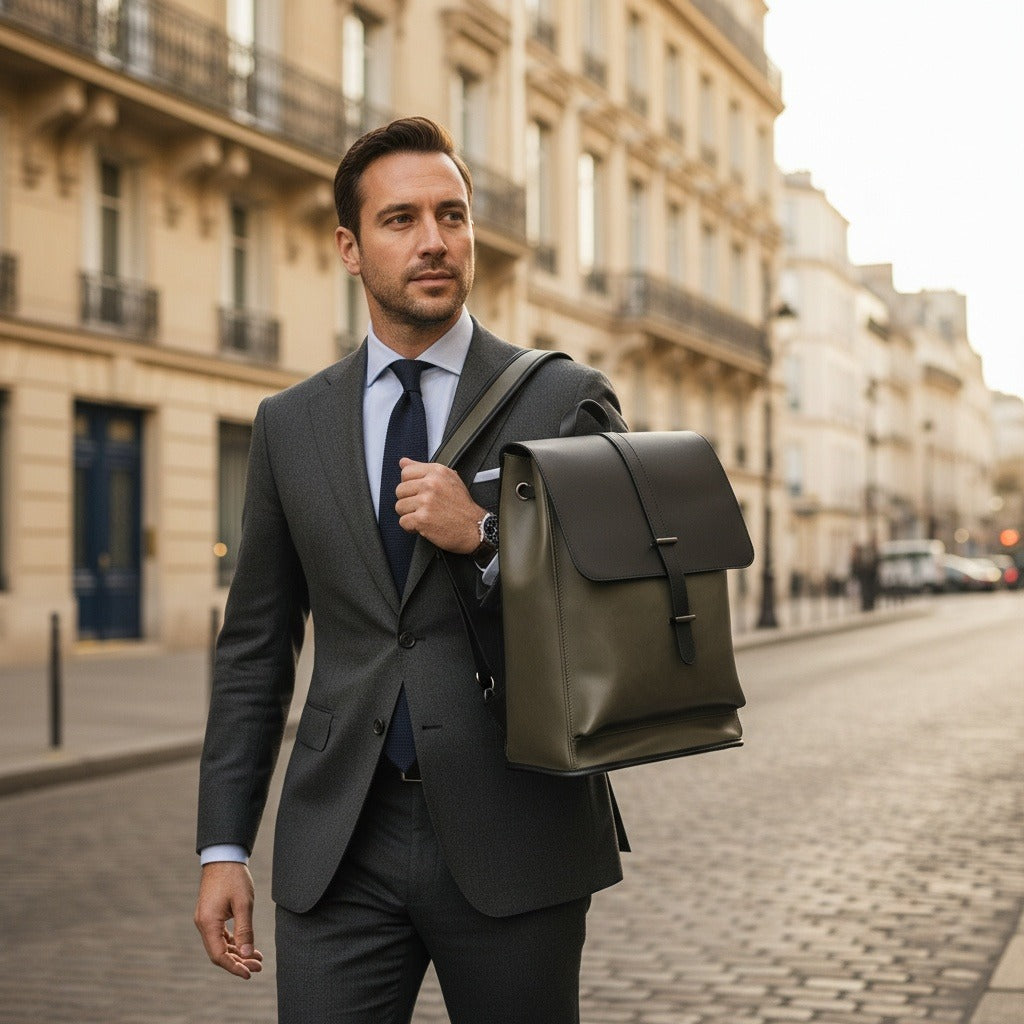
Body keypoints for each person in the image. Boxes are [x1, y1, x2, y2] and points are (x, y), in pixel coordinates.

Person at [194, 116, 629, 1024]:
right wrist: (222, 846)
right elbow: (254, 651)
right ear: (350, 247)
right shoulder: (291, 423)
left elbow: (613, 607)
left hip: (518, 835)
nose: (434, 241)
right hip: (338, 846)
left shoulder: (562, 397)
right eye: (401, 220)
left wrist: (484, 537)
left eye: (452, 215)